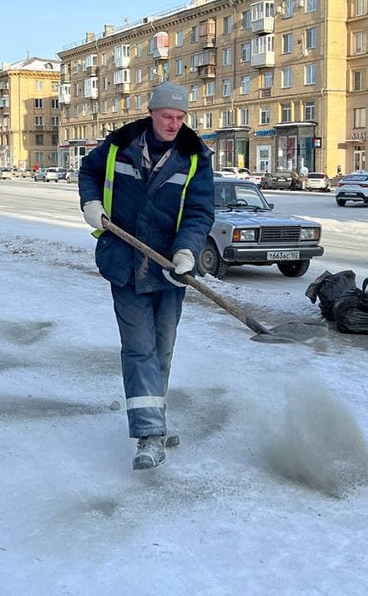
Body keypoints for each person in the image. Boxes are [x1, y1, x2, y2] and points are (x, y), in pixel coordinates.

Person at [77, 82, 215, 471]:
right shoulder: (120, 144)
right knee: (139, 349)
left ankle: (155, 418)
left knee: (162, 349)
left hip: (169, 268)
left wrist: (187, 249)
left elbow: (200, 211)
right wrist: (90, 202)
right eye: (167, 116)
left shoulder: (194, 157)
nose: (174, 124)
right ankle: (149, 437)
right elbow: (88, 170)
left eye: (180, 117)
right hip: (124, 262)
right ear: (151, 113)